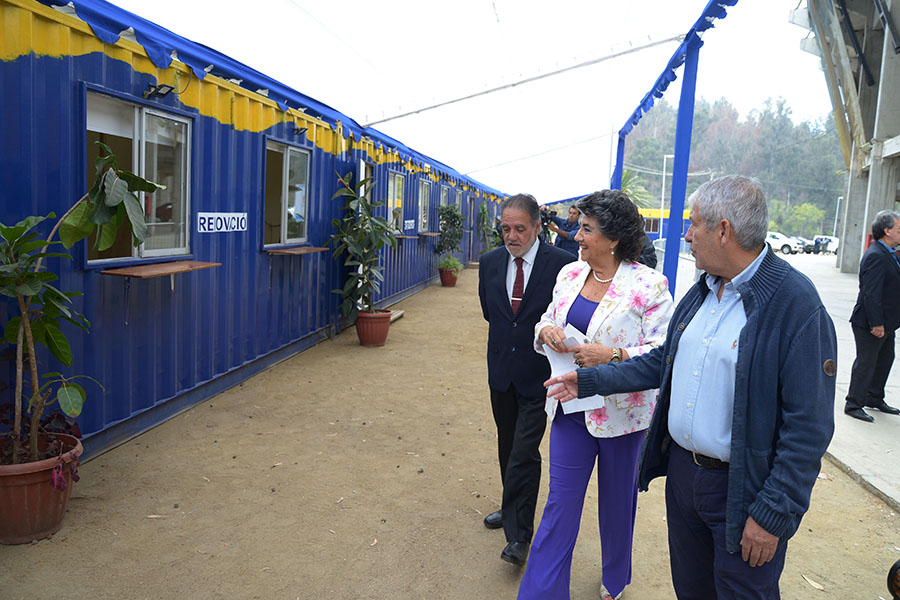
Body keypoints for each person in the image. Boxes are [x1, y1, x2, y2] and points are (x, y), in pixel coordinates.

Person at [544, 176, 837, 599]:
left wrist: (774, 513)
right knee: (693, 590)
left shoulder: (794, 304)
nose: (685, 235)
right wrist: (589, 379)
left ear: (723, 230)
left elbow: (808, 427)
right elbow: (660, 364)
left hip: (741, 492)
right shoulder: (703, 292)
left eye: (693, 224)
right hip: (685, 481)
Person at [518, 190, 674, 600]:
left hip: (623, 415)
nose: (578, 235)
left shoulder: (649, 285)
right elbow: (547, 320)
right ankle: (542, 593)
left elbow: (662, 352)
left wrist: (613, 354)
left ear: (614, 238)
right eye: (579, 227)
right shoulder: (569, 274)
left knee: (617, 504)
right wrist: (545, 331)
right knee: (559, 506)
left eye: (587, 229)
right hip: (570, 406)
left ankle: (615, 578)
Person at [478, 194, 575, 566]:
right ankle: (511, 503)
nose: (512, 236)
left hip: (541, 377)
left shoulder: (563, 265)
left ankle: (519, 536)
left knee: (524, 452)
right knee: (507, 444)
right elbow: (492, 313)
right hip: (501, 372)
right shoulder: (489, 263)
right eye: (506, 228)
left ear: (537, 227)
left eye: (520, 228)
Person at [844, 210, 900, 422]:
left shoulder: (889, 253)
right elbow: (871, 293)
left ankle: (874, 397)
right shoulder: (876, 255)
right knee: (866, 363)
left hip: (887, 322)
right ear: (887, 231)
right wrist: (876, 323)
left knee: (885, 359)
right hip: (870, 323)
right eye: (899, 229)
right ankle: (853, 404)